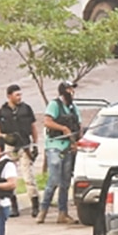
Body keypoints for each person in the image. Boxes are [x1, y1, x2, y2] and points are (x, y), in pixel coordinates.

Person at [0, 84, 40, 218]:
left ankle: (35, 205)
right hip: (10, 147)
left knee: (28, 177)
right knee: (10, 176)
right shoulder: (2, 112)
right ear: (9, 96)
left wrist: (35, 144)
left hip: (25, 145)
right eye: (17, 95)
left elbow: (33, 127)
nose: (19, 97)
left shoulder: (26, 109)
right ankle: (14, 207)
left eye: (20, 95)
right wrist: (3, 137)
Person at [38, 81, 81, 225]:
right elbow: (47, 122)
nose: (72, 92)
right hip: (54, 146)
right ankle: (43, 210)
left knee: (65, 182)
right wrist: (63, 128)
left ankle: (63, 213)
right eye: (69, 89)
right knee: (54, 179)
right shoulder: (54, 105)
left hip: (69, 147)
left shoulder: (74, 108)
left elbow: (79, 126)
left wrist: (76, 142)